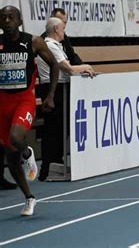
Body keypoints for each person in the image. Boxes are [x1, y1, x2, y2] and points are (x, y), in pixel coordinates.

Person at [0, 5, 59, 215]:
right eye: (3, 18)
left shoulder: (33, 41)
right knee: (10, 154)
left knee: (17, 138)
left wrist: (49, 95)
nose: (7, 21)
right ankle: (29, 198)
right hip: (2, 103)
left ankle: (28, 152)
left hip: (24, 100)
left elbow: (54, 65)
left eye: (11, 17)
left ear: (20, 21)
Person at [37, 17, 95, 181]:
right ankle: (47, 167)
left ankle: (56, 164)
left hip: (61, 88)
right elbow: (67, 68)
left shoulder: (57, 46)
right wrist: (86, 67)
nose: (64, 32)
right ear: (56, 29)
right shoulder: (49, 45)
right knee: (52, 130)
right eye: (63, 28)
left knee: (61, 129)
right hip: (53, 89)